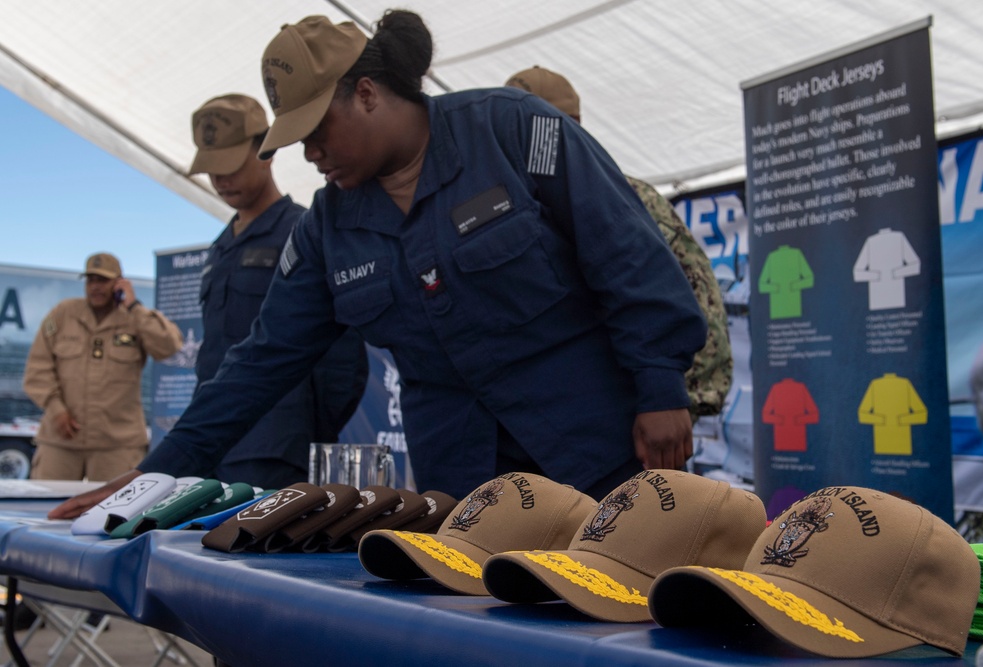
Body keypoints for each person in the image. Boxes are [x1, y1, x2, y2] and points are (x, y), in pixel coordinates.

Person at [49, 9, 706, 519]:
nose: (310, 154)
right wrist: (156, 474)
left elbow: (626, 255)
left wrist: (659, 385)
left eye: (316, 131)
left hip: (598, 450)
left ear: (366, 92)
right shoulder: (327, 230)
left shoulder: (513, 132)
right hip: (469, 487)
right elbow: (257, 362)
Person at [504, 66, 733, 420]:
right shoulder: (512, 210)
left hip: (631, 415)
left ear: (569, 123)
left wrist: (671, 400)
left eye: (528, 126)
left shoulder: (624, 195)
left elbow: (697, 293)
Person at [186, 94, 368, 489]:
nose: (221, 180)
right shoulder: (220, 248)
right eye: (212, 169)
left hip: (273, 448)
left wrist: (303, 430)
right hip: (212, 448)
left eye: (230, 165)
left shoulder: (303, 233)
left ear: (266, 152)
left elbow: (344, 361)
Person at [23, 253, 183, 481]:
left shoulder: (135, 318)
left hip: (117, 445)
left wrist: (134, 306)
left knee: (116, 513)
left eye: (103, 281)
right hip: (61, 441)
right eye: (91, 280)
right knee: (45, 510)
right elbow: (37, 370)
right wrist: (56, 409)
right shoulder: (63, 314)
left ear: (120, 283)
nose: (95, 287)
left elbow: (169, 347)